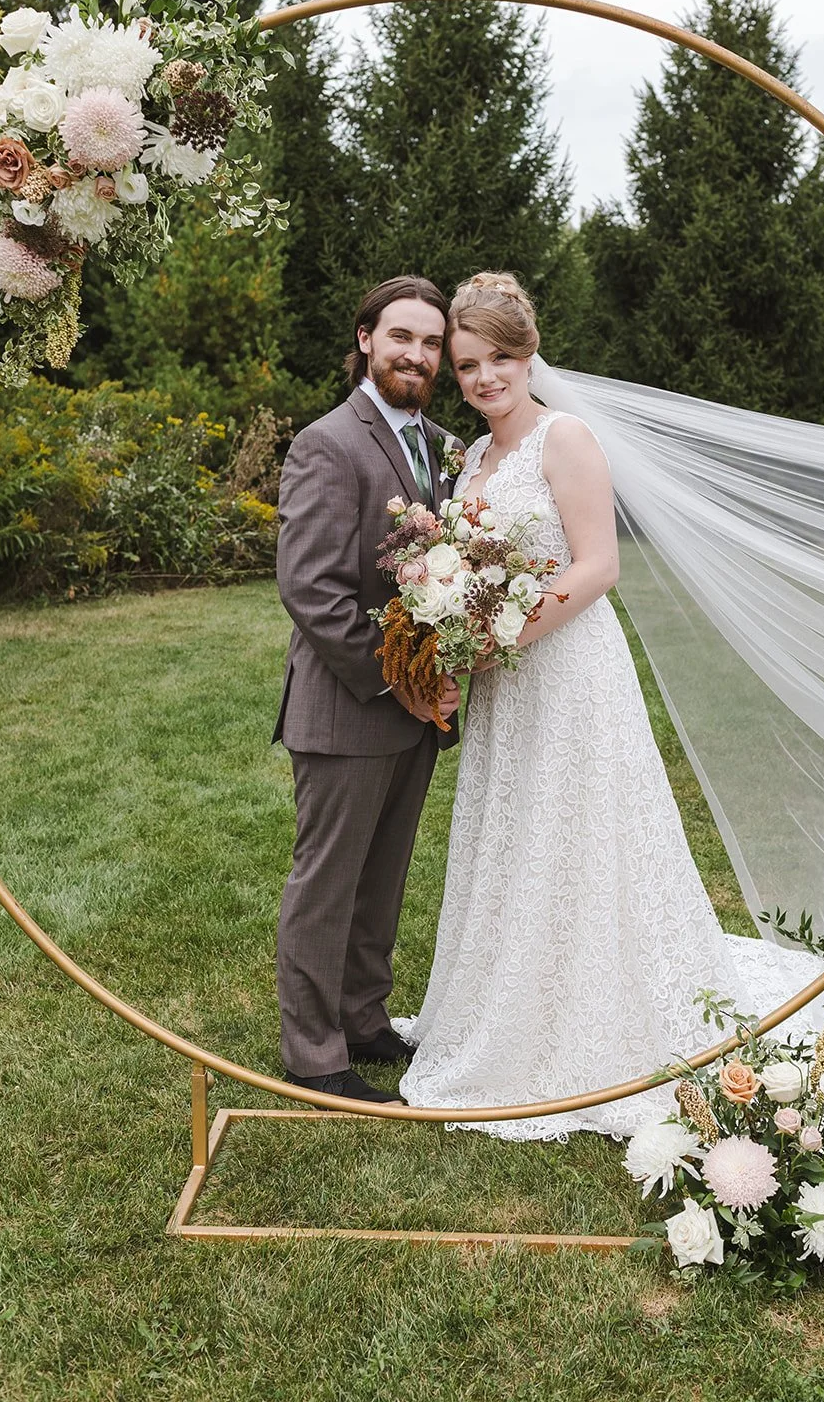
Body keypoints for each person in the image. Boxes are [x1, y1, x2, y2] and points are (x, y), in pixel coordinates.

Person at [397, 272, 824, 1142]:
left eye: (499, 358)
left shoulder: (562, 439)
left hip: (566, 669)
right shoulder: (472, 459)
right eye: (467, 365)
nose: (484, 378)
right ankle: (509, 1001)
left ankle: (599, 1013)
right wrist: (463, 629)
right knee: (517, 831)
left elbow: (596, 566)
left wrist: (501, 630)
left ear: (530, 353)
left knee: (582, 829)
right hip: (509, 683)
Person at [274, 275, 462, 1105]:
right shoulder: (327, 443)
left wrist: (437, 679)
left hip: (413, 713)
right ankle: (314, 1052)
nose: (415, 355)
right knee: (327, 885)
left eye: (429, 343)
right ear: (364, 340)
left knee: (381, 879)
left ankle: (363, 1018)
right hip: (348, 705)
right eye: (400, 338)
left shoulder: (445, 446)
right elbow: (311, 589)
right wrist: (401, 685)